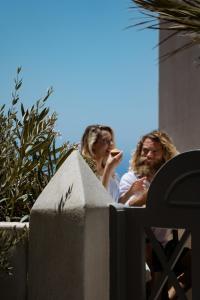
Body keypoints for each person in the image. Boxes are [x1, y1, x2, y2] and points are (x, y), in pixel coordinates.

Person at [119, 130, 191, 299]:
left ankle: (169, 296)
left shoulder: (171, 180)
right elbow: (125, 208)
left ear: (164, 154)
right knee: (148, 283)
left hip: (166, 246)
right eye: (145, 150)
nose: (149, 155)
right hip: (140, 245)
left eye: (154, 151)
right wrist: (149, 194)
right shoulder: (130, 179)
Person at [80, 124, 123, 201]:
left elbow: (117, 202)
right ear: (92, 144)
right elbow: (99, 202)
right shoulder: (85, 174)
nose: (111, 144)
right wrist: (108, 169)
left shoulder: (114, 176)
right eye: (105, 141)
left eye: (111, 140)